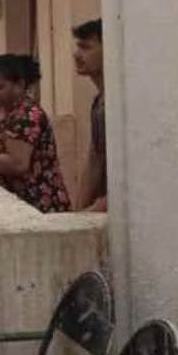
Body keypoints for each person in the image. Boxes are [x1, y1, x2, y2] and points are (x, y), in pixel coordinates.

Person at [0, 55, 69, 213]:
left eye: (0, 87)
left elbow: (18, 163)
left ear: (19, 85)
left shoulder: (27, 115)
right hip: (7, 204)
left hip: (35, 205)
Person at [73, 19, 107, 212]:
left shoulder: (125, 105)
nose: (77, 55)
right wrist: (78, 214)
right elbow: (94, 160)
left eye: (86, 48)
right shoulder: (98, 104)